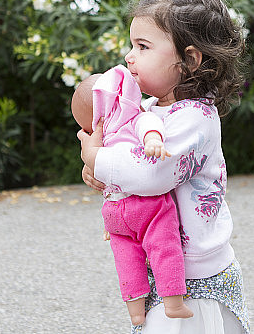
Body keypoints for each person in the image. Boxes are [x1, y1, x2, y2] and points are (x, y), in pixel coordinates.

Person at [78, 0, 250, 333]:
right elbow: (124, 157)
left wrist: (95, 156)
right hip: (162, 260)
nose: (129, 56)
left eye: (142, 46)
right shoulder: (149, 109)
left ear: (189, 60)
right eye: (131, 45)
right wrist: (99, 174)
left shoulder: (197, 118)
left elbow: (152, 173)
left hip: (197, 272)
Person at [71, 65, 194, 326]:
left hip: (114, 211)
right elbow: (148, 126)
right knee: (164, 246)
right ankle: (173, 302)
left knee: (126, 261)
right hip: (146, 207)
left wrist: (91, 159)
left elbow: (100, 167)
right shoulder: (134, 118)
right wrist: (153, 141)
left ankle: (136, 313)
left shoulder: (101, 138)